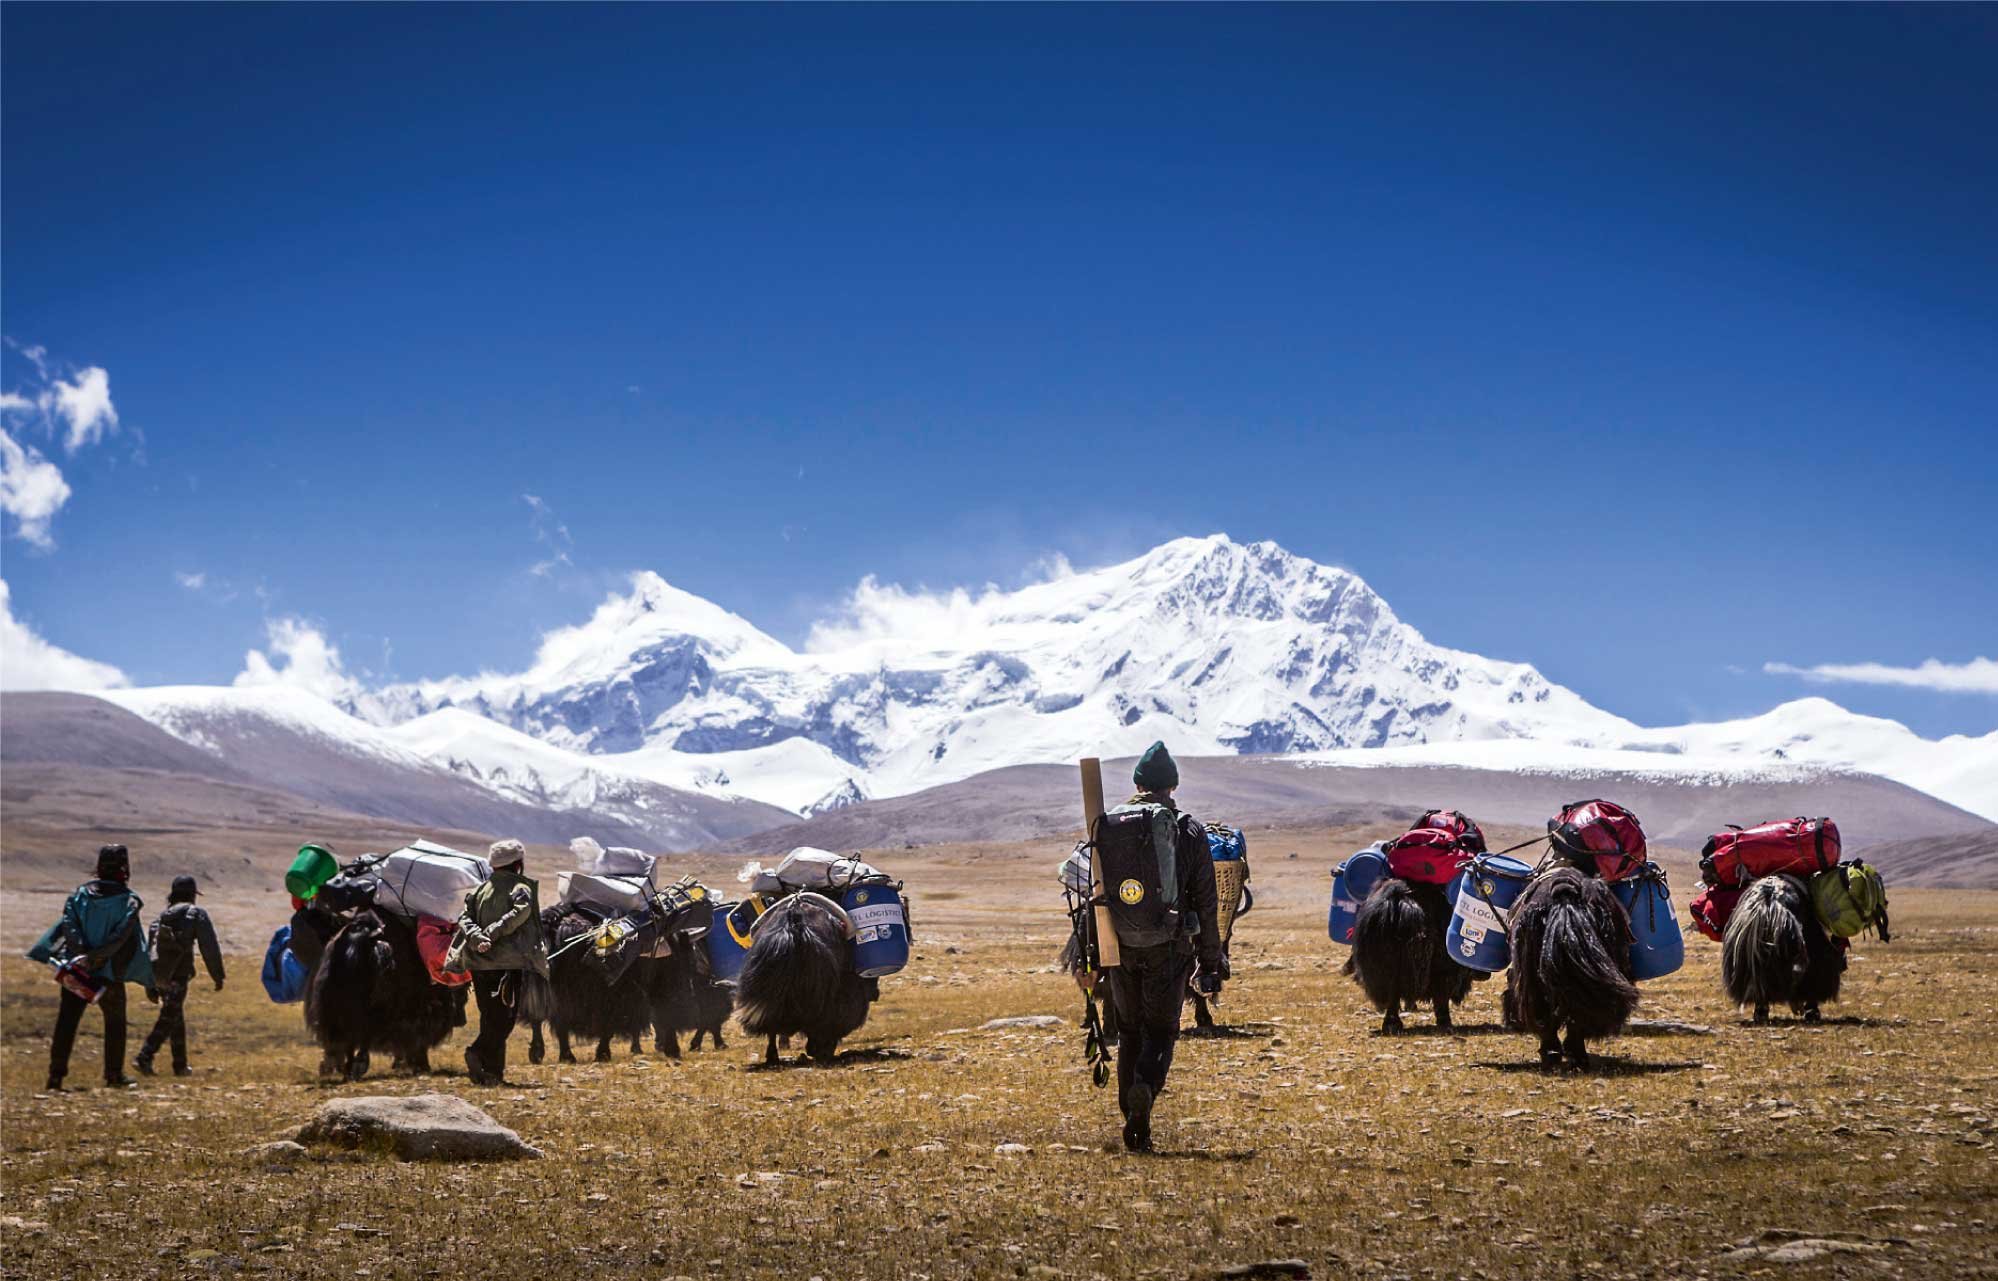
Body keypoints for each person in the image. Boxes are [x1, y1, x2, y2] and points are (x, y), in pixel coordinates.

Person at [1099, 742, 1223, 1152]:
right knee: (1162, 1031)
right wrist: (1210, 959)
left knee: (1130, 1032)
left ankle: (1135, 1127)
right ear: (1172, 785)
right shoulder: (1187, 829)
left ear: (1137, 783)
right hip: (1170, 947)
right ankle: (1145, 1093)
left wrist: (1091, 956)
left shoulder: (1110, 825)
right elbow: (1207, 899)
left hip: (1120, 947)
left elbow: (1092, 894)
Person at [29, 845, 154, 1091]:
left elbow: (69, 926)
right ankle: (114, 1075)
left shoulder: (79, 895)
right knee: (116, 1021)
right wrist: (97, 958)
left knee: (67, 1021)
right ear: (124, 867)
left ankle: (55, 1077)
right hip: (109, 972)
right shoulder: (129, 900)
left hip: (77, 970)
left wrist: (82, 955)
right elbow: (121, 937)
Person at [455, 840, 549, 1086]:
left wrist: (476, 937)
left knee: (490, 1016)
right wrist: (492, 933)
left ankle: (492, 1074)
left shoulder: (480, 890)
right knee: (505, 1019)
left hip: (478, 963)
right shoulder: (521, 887)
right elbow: (521, 912)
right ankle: (477, 1052)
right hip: (507, 963)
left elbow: (463, 918)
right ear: (518, 863)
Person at [136, 876, 226, 1077]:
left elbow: (151, 953)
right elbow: (209, 946)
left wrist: (150, 985)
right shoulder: (195, 914)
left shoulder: (160, 918)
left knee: (175, 1016)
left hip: (161, 976)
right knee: (169, 1017)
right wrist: (217, 975)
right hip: (179, 975)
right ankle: (145, 1055)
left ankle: (180, 1065)